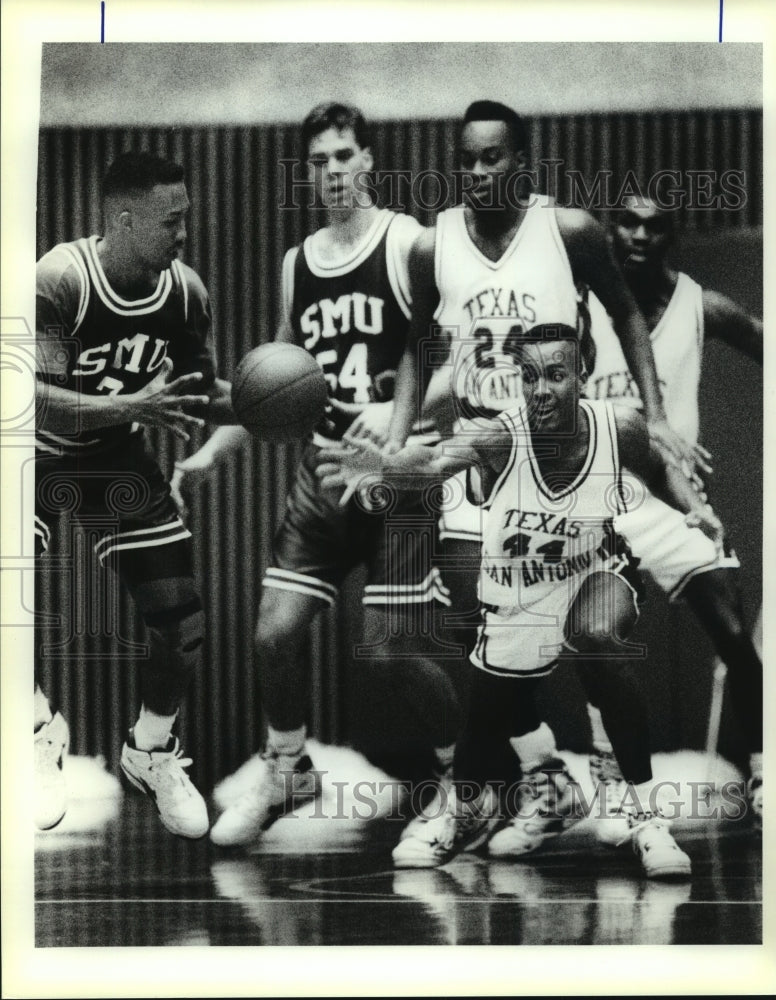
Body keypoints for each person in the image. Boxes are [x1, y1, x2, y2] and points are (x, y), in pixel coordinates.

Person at [317, 320, 722, 878]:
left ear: (581, 374)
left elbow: (657, 468)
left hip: (593, 570)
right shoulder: (500, 436)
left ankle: (646, 817)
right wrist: (383, 465)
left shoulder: (618, 428)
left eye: (555, 374)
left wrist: (691, 506)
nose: (541, 389)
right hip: (520, 592)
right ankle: (503, 802)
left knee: (598, 636)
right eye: (529, 376)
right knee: (488, 724)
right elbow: (435, 462)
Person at [171, 102, 462, 848]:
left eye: (344, 156)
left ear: (369, 159)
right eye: (318, 161)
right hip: (324, 476)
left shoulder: (410, 243)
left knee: (393, 652)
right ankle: (287, 768)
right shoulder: (298, 263)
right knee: (274, 635)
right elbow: (276, 384)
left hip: (398, 476)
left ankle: (464, 781)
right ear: (307, 172)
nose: (332, 171)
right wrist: (211, 452)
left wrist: (388, 415)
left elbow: (453, 360)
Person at [34, 151, 237, 837]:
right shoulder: (62, 280)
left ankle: (150, 750)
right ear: (122, 219)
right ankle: (36, 729)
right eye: (168, 221)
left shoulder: (186, 295)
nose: (182, 234)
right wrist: (132, 409)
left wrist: (288, 409)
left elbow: (196, 396)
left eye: (185, 219)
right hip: (32, 453)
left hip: (113, 458)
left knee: (182, 623)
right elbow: (30, 399)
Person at [582, 194, 763, 822]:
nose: (638, 235)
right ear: (608, 231)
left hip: (675, 495)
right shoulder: (580, 306)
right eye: (626, 223)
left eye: (654, 226)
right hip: (599, 497)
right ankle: (609, 785)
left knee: (735, 637)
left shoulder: (700, 306)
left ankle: (765, 775)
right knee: (598, 640)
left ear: (672, 236)